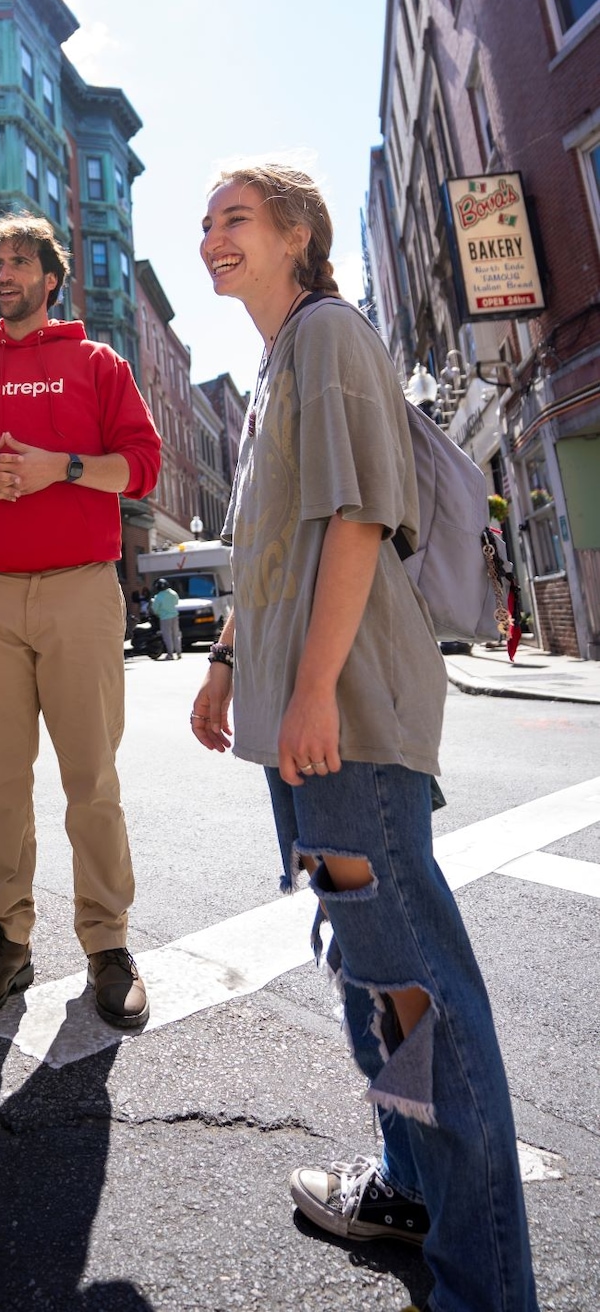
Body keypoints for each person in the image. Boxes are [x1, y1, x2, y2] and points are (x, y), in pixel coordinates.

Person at [190, 163, 538, 1312]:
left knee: (416, 982)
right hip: (307, 716)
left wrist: (313, 688)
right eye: (205, 224)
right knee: (367, 967)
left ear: (298, 234)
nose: (210, 237)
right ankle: (405, 1187)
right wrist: (233, 663)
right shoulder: (277, 362)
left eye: (233, 218)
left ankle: (485, 1285)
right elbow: (270, 549)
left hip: (350, 715)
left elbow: (358, 517)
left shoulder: (332, 332)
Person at [0, 216, 162, 1031]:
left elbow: (142, 467)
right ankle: (6, 940)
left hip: (80, 590)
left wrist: (66, 468)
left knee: (92, 778)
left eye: (21, 261)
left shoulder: (97, 363)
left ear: (52, 277)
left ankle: (109, 943)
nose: (6, 274)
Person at [149, 577, 181, 659]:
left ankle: (170, 654)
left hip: (164, 618)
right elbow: (176, 602)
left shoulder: (158, 596)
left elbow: (155, 608)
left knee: (167, 636)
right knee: (176, 634)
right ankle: (178, 652)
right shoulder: (173, 593)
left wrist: (158, 613)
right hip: (174, 615)